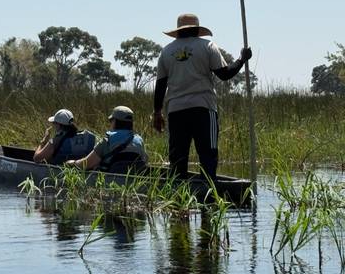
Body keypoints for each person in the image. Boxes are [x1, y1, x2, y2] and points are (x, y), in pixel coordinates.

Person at [153, 13, 252, 180]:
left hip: (176, 111)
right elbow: (225, 74)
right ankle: (209, 195)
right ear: (197, 29)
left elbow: (161, 85)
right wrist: (242, 59)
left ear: (178, 31)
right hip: (204, 108)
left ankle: (179, 199)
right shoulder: (207, 46)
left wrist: (157, 112)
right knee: (208, 155)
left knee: (178, 159)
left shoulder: (166, 51)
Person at [66, 106, 147, 172]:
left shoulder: (107, 141)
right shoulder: (139, 140)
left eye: (111, 120)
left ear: (115, 121)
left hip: (111, 182)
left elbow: (86, 164)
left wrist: (73, 163)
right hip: (134, 181)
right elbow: (144, 161)